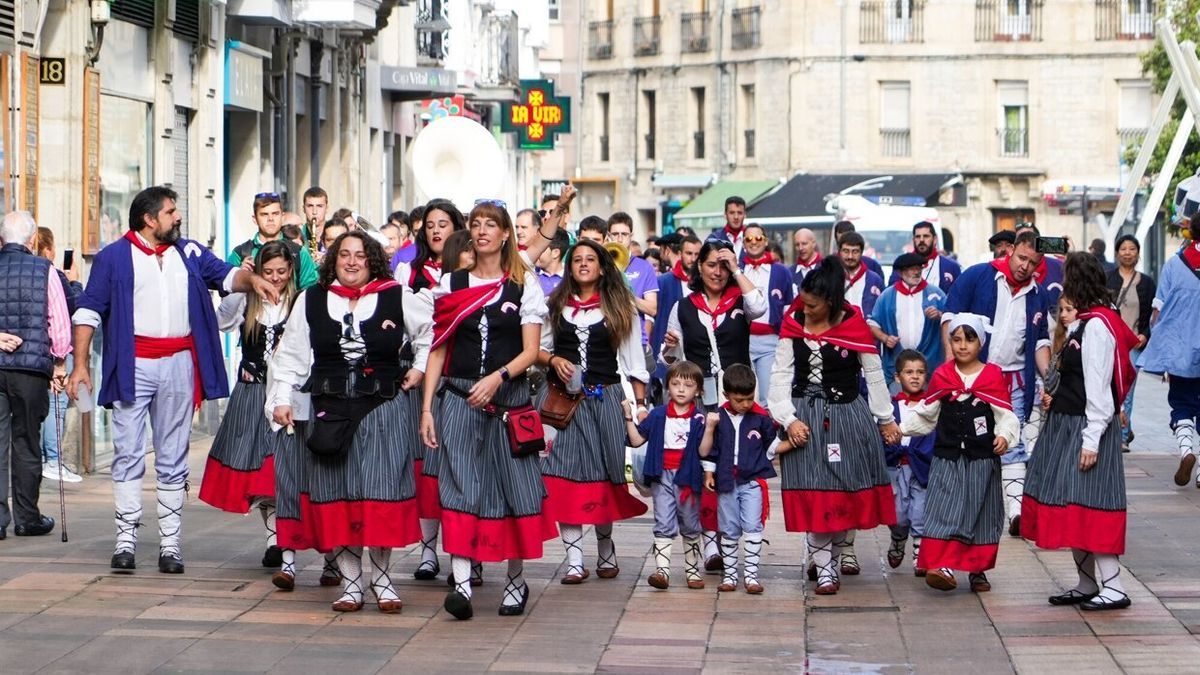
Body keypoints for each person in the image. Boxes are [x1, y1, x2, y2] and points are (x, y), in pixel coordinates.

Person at [69, 186, 278, 573]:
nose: (177, 216)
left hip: (181, 363)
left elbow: (229, 276)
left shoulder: (190, 252)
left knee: (173, 454)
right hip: (134, 364)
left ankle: (170, 544)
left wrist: (256, 282)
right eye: (170, 212)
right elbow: (88, 312)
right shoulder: (113, 257)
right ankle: (126, 540)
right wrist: (79, 365)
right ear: (150, 220)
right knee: (128, 451)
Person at [267, 230, 428, 612]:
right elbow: (289, 355)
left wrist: (419, 368)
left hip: (382, 407)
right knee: (335, 495)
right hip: (330, 407)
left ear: (372, 260)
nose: (352, 262)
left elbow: (429, 334)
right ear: (333, 261)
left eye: (359, 255)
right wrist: (281, 398)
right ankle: (352, 583)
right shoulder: (312, 299)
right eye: (344, 255)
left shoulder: (396, 295)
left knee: (381, 494)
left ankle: (383, 581)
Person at [420, 201, 557, 620]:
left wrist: (498, 376)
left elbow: (532, 351)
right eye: (475, 224)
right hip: (459, 399)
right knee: (458, 482)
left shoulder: (523, 284)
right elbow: (438, 348)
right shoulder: (451, 282)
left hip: (509, 403)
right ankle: (461, 584)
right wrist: (427, 407)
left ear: (504, 235)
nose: (481, 231)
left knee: (513, 487)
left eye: (490, 225)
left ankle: (515, 580)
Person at [768, 256, 899, 595]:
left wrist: (885, 419)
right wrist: (788, 418)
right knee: (817, 496)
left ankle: (832, 556)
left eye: (812, 305)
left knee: (845, 497)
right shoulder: (793, 324)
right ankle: (825, 570)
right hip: (805, 420)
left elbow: (873, 373)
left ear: (830, 301)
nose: (805, 309)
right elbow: (780, 376)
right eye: (804, 302)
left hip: (847, 417)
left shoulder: (854, 324)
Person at [1023, 253, 1138, 610]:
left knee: (1091, 502)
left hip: (1085, 427)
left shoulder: (1098, 326)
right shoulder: (1085, 323)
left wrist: (1092, 439)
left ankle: (1114, 586)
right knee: (1073, 503)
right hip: (1067, 424)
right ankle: (1087, 582)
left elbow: (1100, 388)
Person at [538, 239, 650, 583]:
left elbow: (634, 361)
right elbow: (538, 349)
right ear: (569, 267)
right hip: (562, 404)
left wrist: (640, 404)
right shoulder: (555, 304)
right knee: (561, 479)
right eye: (578, 260)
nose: (584, 264)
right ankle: (573, 559)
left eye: (591, 260)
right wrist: (554, 359)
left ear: (602, 267)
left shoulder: (619, 306)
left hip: (605, 401)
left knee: (604, 478)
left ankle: (605, 548)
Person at [660, 239, 768, 572]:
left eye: (723, 266)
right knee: (704, 466)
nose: (717, 272)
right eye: (711, 265)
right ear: (699, 268)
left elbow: (760, 306)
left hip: (737, 395)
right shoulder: (684, 306)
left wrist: (737, 268)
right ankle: (711, 544)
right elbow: (670, 360)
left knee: (739, 466)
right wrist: (669, 349)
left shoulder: (740, 299)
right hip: (701, 396)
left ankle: (738, 534)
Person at [942, 230, 1050, 537]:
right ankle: (963, 511)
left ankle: (1016, 513)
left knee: (1013, 444)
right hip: (974, 377)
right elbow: (949, 318)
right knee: (970, 444)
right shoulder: (978, 276)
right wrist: (952, 369)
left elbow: (1039, 340)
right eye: (1022, 258)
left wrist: (1048, 378)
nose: (1025, 267)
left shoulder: (1038, 294)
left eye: (1033, 262)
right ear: (1011, 250)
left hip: (1013, 381)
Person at [900, 313, 1019, 593]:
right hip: (948, 458)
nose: (962, 345)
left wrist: (1003, 436)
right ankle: (943, 565)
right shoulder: (943, 376)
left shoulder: (991, 376)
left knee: (979, 512)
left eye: (969, 339)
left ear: (981, 342)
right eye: (956, 340)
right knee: (944, 509)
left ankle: (977, 570)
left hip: (981, 460)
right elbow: (928, 414)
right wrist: (901, 429)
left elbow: (1006, 415)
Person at [199, 241, 298, 575]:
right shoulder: (246, 299)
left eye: (282, 272)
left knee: (283, 468)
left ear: (291, 270)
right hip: (254, 391)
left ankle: (283, 537)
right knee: (261, 468)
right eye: (268, 272)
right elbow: (219, 323)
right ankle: (275, 539)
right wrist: (236, 286)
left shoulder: (300, 301)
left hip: (289, 396)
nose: (275, 278)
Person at [395, 198, 466, 582]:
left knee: (460, 464)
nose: (436, 230)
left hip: (465, 376)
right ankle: (427, 552)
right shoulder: (410, 271)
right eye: (431, 225)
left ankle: (466, 551)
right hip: (423, 375)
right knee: (425, 462)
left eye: (444, 223)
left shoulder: (473, 270)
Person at [0, 212, 72, 539]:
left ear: (2, 240)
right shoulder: (46, 272)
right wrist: (59, 362)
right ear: (32, 241)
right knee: (27, 441)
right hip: (30, 370)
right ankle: (27, 518)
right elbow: (58, 321)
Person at [698, 364, 787, 595]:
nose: (746, 404)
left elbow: (772, 445)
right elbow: (713, 451)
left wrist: (793, 442)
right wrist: (709, 472)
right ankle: (729, 575)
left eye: (749, 398)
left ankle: (751, 575)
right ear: (727, 396)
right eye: (740, 400)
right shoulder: (718, 418)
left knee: (753, 526)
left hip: (753, 481)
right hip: (726, 480)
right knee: (728, 529)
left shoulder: (760, 418)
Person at [624, 361, 708, 590]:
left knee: (691, 523)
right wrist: (629, 418)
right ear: (667, 387)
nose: (681, 389)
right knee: (663, 521)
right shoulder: (658, 415)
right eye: (675, 384)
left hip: (689, 478)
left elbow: (706, 450)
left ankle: (692, 571)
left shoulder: (700, 419)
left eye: (688, 385)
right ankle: (662, 572)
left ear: (698, 390)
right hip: (662, 476)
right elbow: (636, 440)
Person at [1137, 218, 1200, 487]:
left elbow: (1157, 314)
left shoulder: (1175, 264)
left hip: (1181, 353)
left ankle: (1187, 451)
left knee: (1182, 405)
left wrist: (1163, 353)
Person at [33, 226, 83, 483]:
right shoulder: (52, 274)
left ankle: (42, 459)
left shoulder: (24, 271)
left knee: (39, 403)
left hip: (32, 349)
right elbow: (73, 308)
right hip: (56, 347)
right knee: (56, 402)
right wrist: (74, 281)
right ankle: (52, 460)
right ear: (50, 250)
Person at [884, 350, 935, 576]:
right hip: (896, 468)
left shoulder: (931, 407)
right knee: (898, 514)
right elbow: (884, 436)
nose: (915, 377)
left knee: (919, 511)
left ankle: (920, 554)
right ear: (897, 377)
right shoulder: (889, 408)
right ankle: (897, 537)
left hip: (922, 468)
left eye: (920, 372)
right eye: (909, 372)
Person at [1106, 235, 1155, 452]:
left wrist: (1145, 335)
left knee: (1127, 391)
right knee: (1110, 388)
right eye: (1123, 248)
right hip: (1110, 343)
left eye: (1132, 248)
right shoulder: (1107, 279)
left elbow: (1153, 316)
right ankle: (1120, 427)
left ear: (1138, 253)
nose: (1127, 252)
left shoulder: (1147, 282)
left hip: (1134, 346)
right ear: (1117, 253)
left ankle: (1122, 436)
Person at [869, 252, 946, 384]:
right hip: (896, 368)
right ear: (901, 272)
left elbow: (951, 320)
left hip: (930, 368)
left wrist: (940, 315)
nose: (917, 272)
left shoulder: (935, 293)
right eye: (912, 269)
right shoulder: (887, 296)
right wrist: (885, 338)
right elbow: (873, 323)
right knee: (896, 402)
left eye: (919, 268)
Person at [739, 223, 794, 405]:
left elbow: (788, 308)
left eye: (758, 238)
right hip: (742, 339)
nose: (753, 242)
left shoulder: (781, 271)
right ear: (743, 242)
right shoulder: (737, 269)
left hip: (770, 340)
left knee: (767, 396)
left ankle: (767, 432)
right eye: (749, 239)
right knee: (742, 393)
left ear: (765, 241)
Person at [227, 192, 319, 290]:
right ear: (255, 219)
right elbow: (226, 293)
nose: (270, 219)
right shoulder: (240, 253)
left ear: (282, 217)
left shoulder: (298, 252)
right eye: (264, 214)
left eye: (275, 214)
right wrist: (241, 276)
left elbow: (310, 293)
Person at [888, 221, 961, 292]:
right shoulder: (902, 265)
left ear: (935, 239)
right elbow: (892, 293)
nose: (921, 240)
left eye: (926, 236)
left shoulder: (951, 267)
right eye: (918, 237)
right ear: (913, 240)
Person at [838, 232, 885, 317]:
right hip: (839, 329)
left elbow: (883, 310)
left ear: (861, 252)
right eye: (846, 251)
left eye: (855, 252)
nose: (850, 256)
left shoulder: (875, 280)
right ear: (840, 252)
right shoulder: (831, 278)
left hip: (866, 329)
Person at [535, 228, 569, 298]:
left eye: (541, 248)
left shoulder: (570, 278)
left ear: (555, 253)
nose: (535, 251)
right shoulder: (530, 274)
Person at [791, 227, 822, 292]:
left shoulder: (827, 269)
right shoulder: (790, 273)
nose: (800, 248)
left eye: (804, 244)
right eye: (797, 245)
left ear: (813, 243)